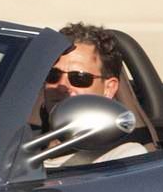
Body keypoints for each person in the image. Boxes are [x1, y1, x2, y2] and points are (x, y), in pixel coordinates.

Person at [31, 22, 154, 166]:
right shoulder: (18, 141)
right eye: (53, 75)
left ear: (109, 88)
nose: (62, 86)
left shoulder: (124, 156)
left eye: (80, 78)